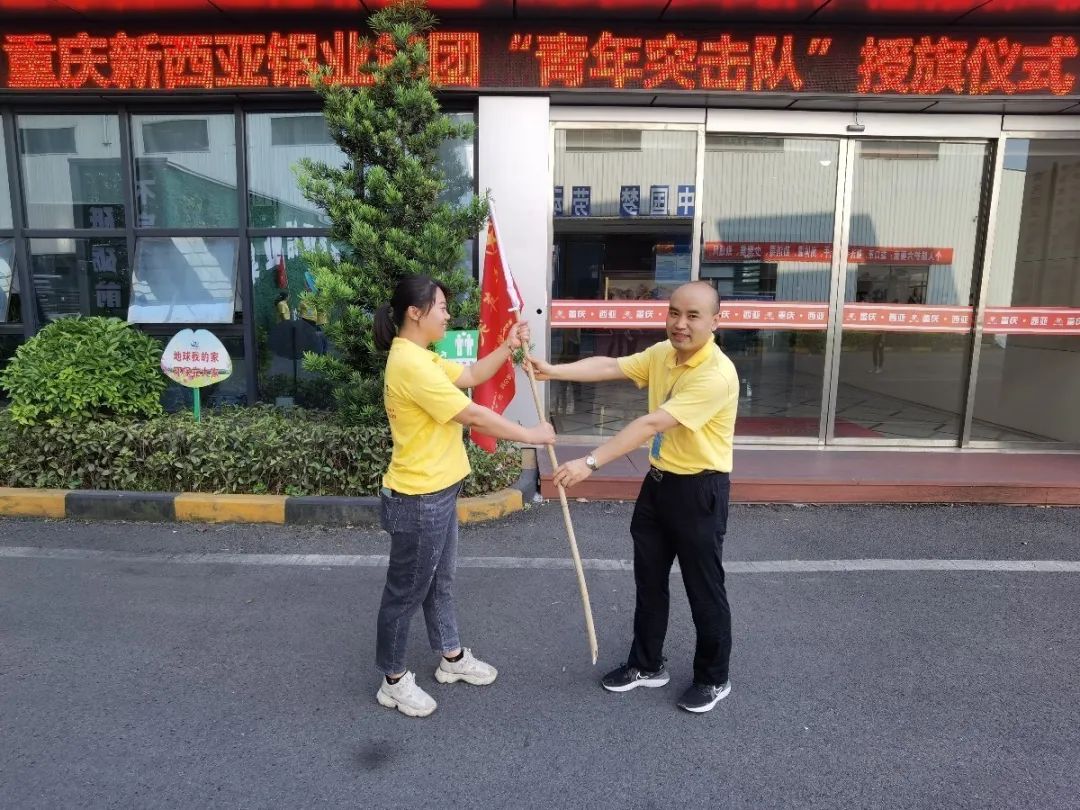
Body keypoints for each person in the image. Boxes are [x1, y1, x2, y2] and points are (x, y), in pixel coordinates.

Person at [530, 281, 739, 714]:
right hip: (659, 483)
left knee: (704, 589)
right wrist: (553, 370)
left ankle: (713, 677)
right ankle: (646, 664)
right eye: (674, 313)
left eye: (693, 316)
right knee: (649, 580)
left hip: (700, 490)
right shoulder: (663, 353)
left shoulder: (715, 375)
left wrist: (590, 462)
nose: (680, 324)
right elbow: (612, 365)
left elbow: (650, 424)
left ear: (716, 322)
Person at [373, 275, 555, 718]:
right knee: (405, 594)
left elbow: (471, 376)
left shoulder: (422, 355)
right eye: (440, 307)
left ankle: (451, 657)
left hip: (439, 490)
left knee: (441, 582)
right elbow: (472, 414)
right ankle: (393, 681)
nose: (447, 314)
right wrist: (530, 434)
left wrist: (508, 345)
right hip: (418, 498)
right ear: (415, 313)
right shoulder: (410, 364)